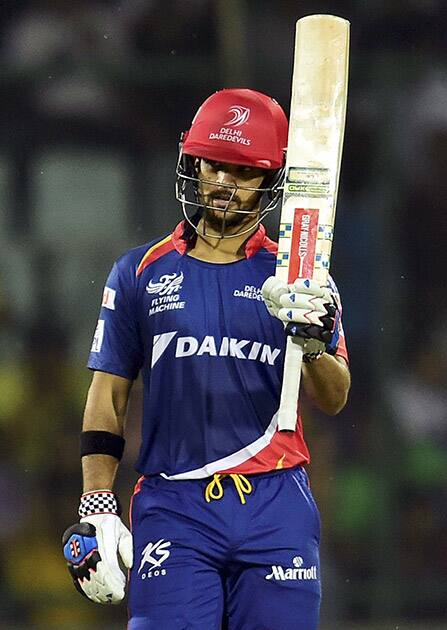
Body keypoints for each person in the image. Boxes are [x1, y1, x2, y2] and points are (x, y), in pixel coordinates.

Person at [62, 88, 350, 630]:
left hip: (276, 501)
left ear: (268, 179)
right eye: (214, 165)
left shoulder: (303, 278)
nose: (223, 182)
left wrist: (313, 343)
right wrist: (95, 501)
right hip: (175, 507)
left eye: (242, 171)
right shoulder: (139, 272)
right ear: (193, 163)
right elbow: (108, 396)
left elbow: (335, 397)